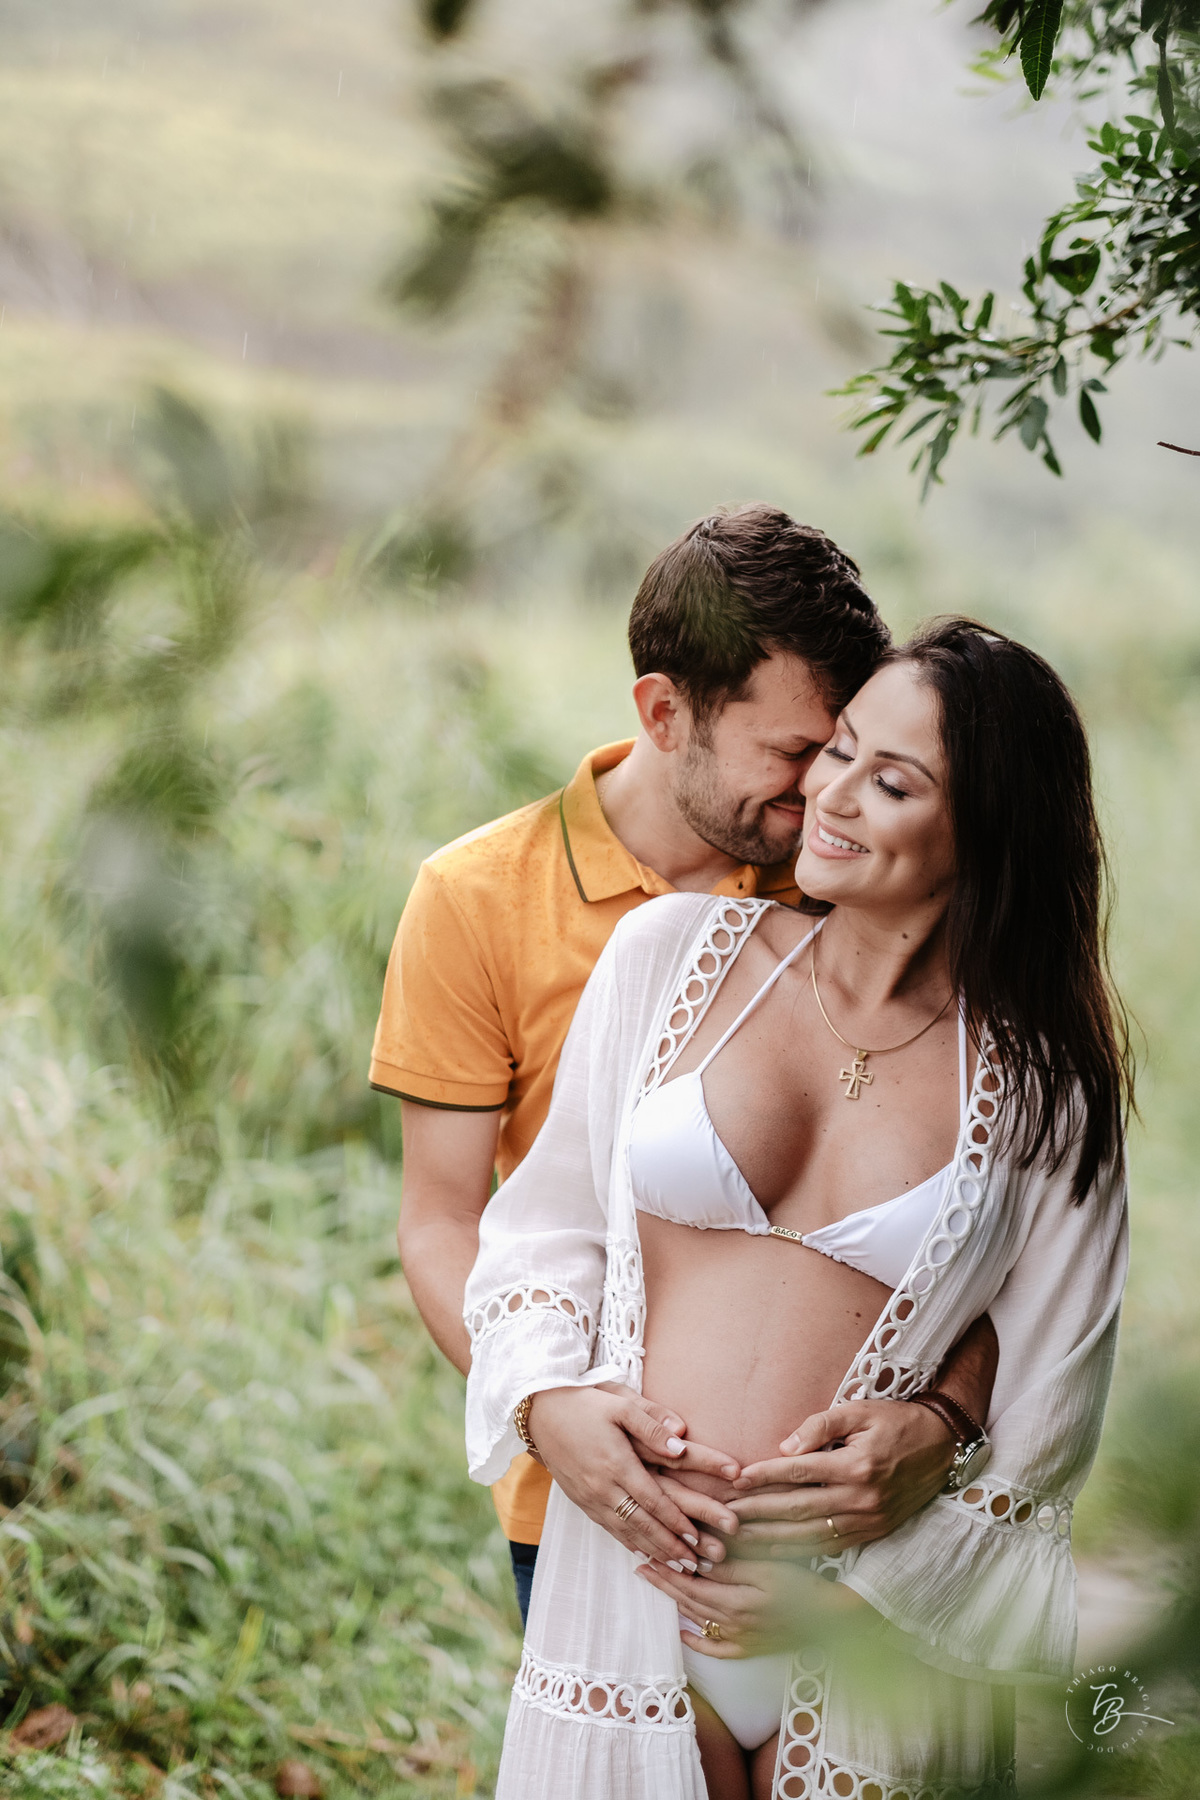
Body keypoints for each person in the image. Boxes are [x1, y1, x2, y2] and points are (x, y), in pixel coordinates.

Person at [463, 618, 1132, 1799]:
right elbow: (543, 1229)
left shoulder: (1046, 1089)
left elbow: (1050, 1407)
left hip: (867, 1628)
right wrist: (544, 1398)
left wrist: (855, 1591)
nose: (833, 796)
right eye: (840, 751)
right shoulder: (668, 954)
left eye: (893, 781)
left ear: (986, 831)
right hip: (627, 1590)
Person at [372, 508, 997, 1622]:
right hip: (595, 1501)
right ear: (666, 712)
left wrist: (937, 1429)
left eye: (847, 750)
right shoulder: (476, 900)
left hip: (853, 1539)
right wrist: (551, 1408)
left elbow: (983, 1222)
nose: (827, 794)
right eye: (798, 754)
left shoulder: (855, 890)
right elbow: (440, 1220)